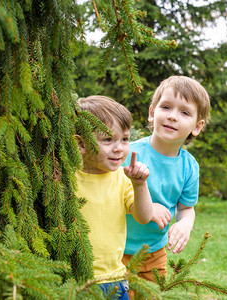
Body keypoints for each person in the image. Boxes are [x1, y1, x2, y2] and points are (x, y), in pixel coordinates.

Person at [122, 75, 211, 283]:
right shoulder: (128, 154)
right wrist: (147, 208)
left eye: (184, 112)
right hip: (116, 247)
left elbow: (186, 208)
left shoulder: (189, 167)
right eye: (166, 107)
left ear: (197, 126)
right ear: (152, 113)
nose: (172, 116)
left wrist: (185, 225)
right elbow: (108, 194)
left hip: (154, 252)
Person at [75, 95, 153, 300]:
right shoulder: (66, 178)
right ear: (81, 144)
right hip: (76, 281)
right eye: (108, 139)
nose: (119, 148)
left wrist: (140, 184)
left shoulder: (122, 178)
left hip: (114, 280)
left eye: (125, 139)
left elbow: (144, 216)